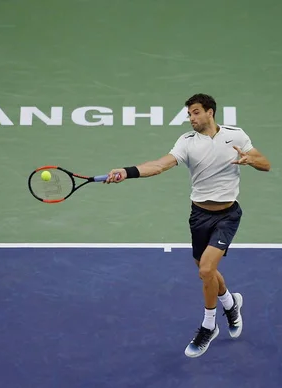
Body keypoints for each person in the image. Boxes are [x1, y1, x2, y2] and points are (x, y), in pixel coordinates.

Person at [105, 93, 271, 358]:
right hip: (199, 215)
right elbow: (160, 165)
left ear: (210, 112)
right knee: (206, 271)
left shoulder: (236, 136)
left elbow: (266, 163)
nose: (191, 118)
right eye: (189, 114)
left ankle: (209, 325)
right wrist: (127, 171)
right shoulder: (187, 142)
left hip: (227, 215)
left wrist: (250, 160)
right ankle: (231, 304)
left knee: (206, 269)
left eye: (195, 112)